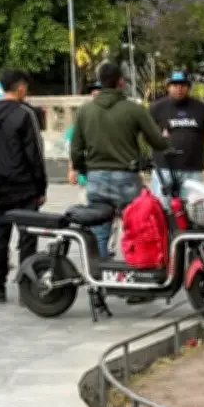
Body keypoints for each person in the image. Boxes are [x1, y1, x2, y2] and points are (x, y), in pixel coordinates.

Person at [70, 63, 168, 260]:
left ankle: (100, 276)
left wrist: (83, 170)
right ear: (121, 82)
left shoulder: (85, 111)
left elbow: (76, 149)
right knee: (136, 226)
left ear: (99, 81)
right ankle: (134, 269)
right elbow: (157, 141)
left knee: (100, 230)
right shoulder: (134, 109)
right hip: (127, 176)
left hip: (96, 176)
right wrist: (165, 140)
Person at [0, 70, 47, 303]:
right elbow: (35, 153)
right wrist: (41, 187)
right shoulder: (25, 114)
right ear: (21, 88)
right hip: (24, 184)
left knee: (1, 234)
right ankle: (26, 286)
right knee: (27, 235)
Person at [149, 71, 204, 205]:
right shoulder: (156, 107)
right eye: (175, 85)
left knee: (193, 209)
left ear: (188, 87)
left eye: (183, 85)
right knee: (162, 208)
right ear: (168, 87)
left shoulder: (201, 108)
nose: (179, 88)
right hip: (164, 167)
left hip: (192, 168)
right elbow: (147, 133)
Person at [65, 82, 101, 203]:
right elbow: (74, 145)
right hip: (87, 177)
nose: (96, 97)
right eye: (94, 94)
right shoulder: (85, 115)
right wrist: (71, 169)